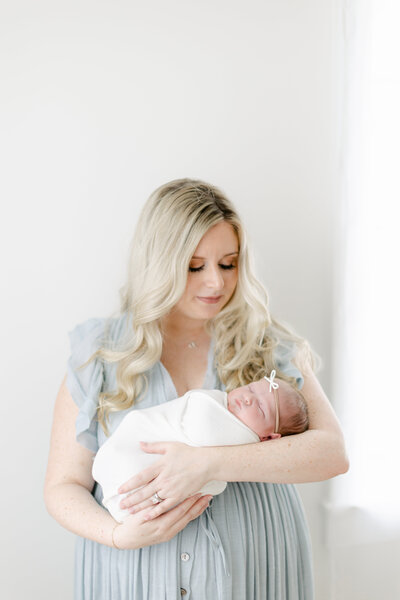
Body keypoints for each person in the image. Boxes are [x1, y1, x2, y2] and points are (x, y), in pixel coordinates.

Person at [44, 178, 348, 600]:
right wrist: (116, 535)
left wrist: (206, 465)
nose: (215, 284)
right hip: (132, 575)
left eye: (228, 264)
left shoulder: (267, 344)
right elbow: (63, 486)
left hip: (255, 573)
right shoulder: (101, 354)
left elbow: (331, 453)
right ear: (159, 263)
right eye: (194, 266)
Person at [92, 372, 309, 523]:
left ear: (270, 437)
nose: (248, 398)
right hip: (131, 450)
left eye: (261, 407)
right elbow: (199, 416)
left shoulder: (241, 437)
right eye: (251, 388)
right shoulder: (210, 405)